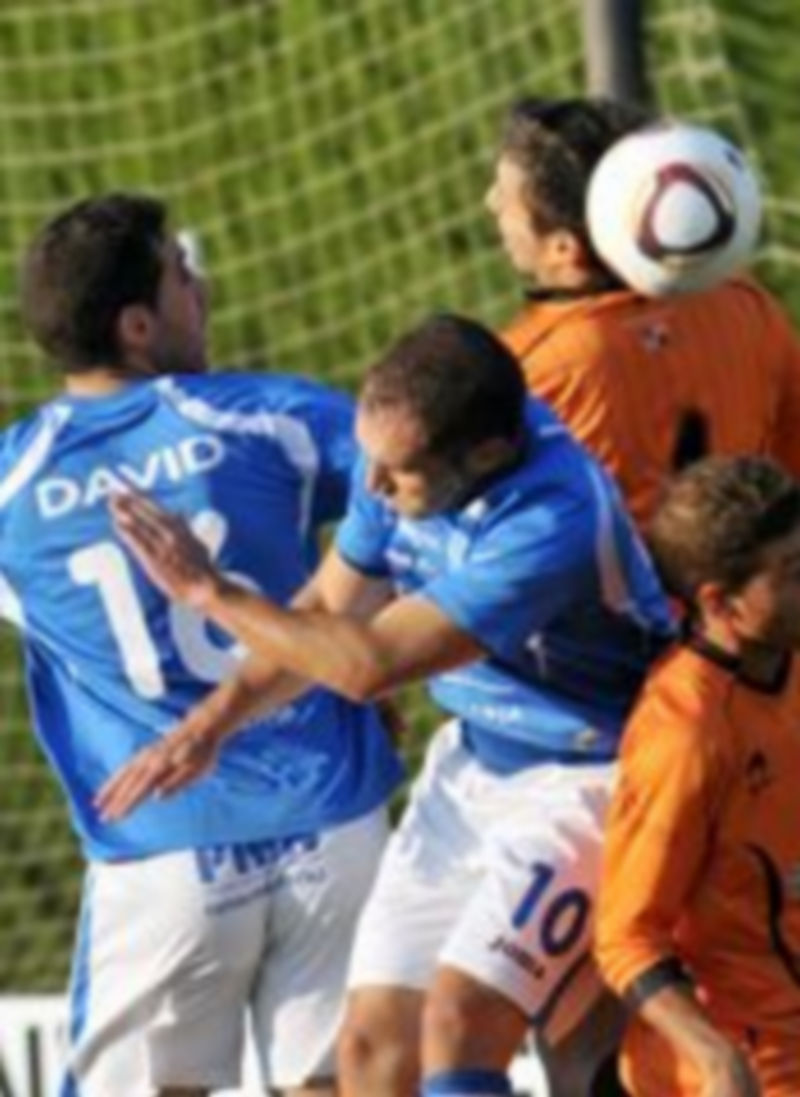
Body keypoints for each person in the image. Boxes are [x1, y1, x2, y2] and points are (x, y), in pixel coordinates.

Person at [97, 313, 674, 1097]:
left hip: (594, 779)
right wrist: (208, 725)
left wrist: (212, 592)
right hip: (471, 768)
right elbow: (325, 615)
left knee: (463, 1024)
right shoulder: (400, 458)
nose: (369, 488)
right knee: (372, 1049)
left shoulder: (553, 518)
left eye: (396, 473)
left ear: (488, 454)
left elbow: (370, 664)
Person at [1, 193, 401, 1097]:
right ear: (138, 324)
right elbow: (412, 487)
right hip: (331, 822)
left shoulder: (13, 486)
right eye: (182, 275)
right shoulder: (271, 416)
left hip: (165, 856)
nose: (203, 287)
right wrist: (376, 649)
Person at [486, 97, 800, 528]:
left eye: (505, 197)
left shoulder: (522, 374)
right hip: (749, 587)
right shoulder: (748, 303)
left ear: (565, 249)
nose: (491, 204)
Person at [595, 455, 800, 1097]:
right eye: (793, 572)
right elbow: (625, 937)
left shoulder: (787, 660)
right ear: (721, 601)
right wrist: (714, 1059)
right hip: (755, 1067)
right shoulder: (685, 740)